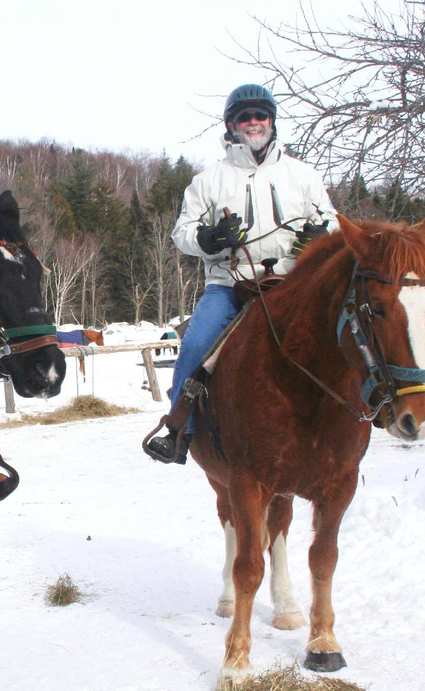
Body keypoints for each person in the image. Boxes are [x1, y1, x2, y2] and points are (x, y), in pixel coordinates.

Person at [144, 83, 338, 464]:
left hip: (294, 283)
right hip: (231, 285)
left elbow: (332, 220)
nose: (253, 122)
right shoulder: (208, 180)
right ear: (231, 125)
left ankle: (375, 407)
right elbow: (181, 233)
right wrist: (212, 238)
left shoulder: (303, 175)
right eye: (244, 116)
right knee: (196, 344)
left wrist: (320, 235)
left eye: (260, 115)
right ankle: (180, 430)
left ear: (272, 121)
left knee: (350, 328)